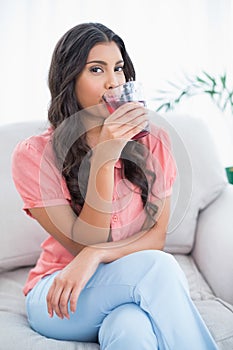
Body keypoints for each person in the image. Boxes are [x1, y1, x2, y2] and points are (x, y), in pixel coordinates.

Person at [12, 22, 218, 349]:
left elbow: (155, 238)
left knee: (131, 329)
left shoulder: (154, 143)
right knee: (160, 269)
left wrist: (95, 254)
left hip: (128, 289)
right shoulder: (36, 155)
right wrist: (106, 154)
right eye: (97, 69)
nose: (114, 82)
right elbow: (86, 241)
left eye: (119, 69)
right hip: (60, 293)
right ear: (69, 80)